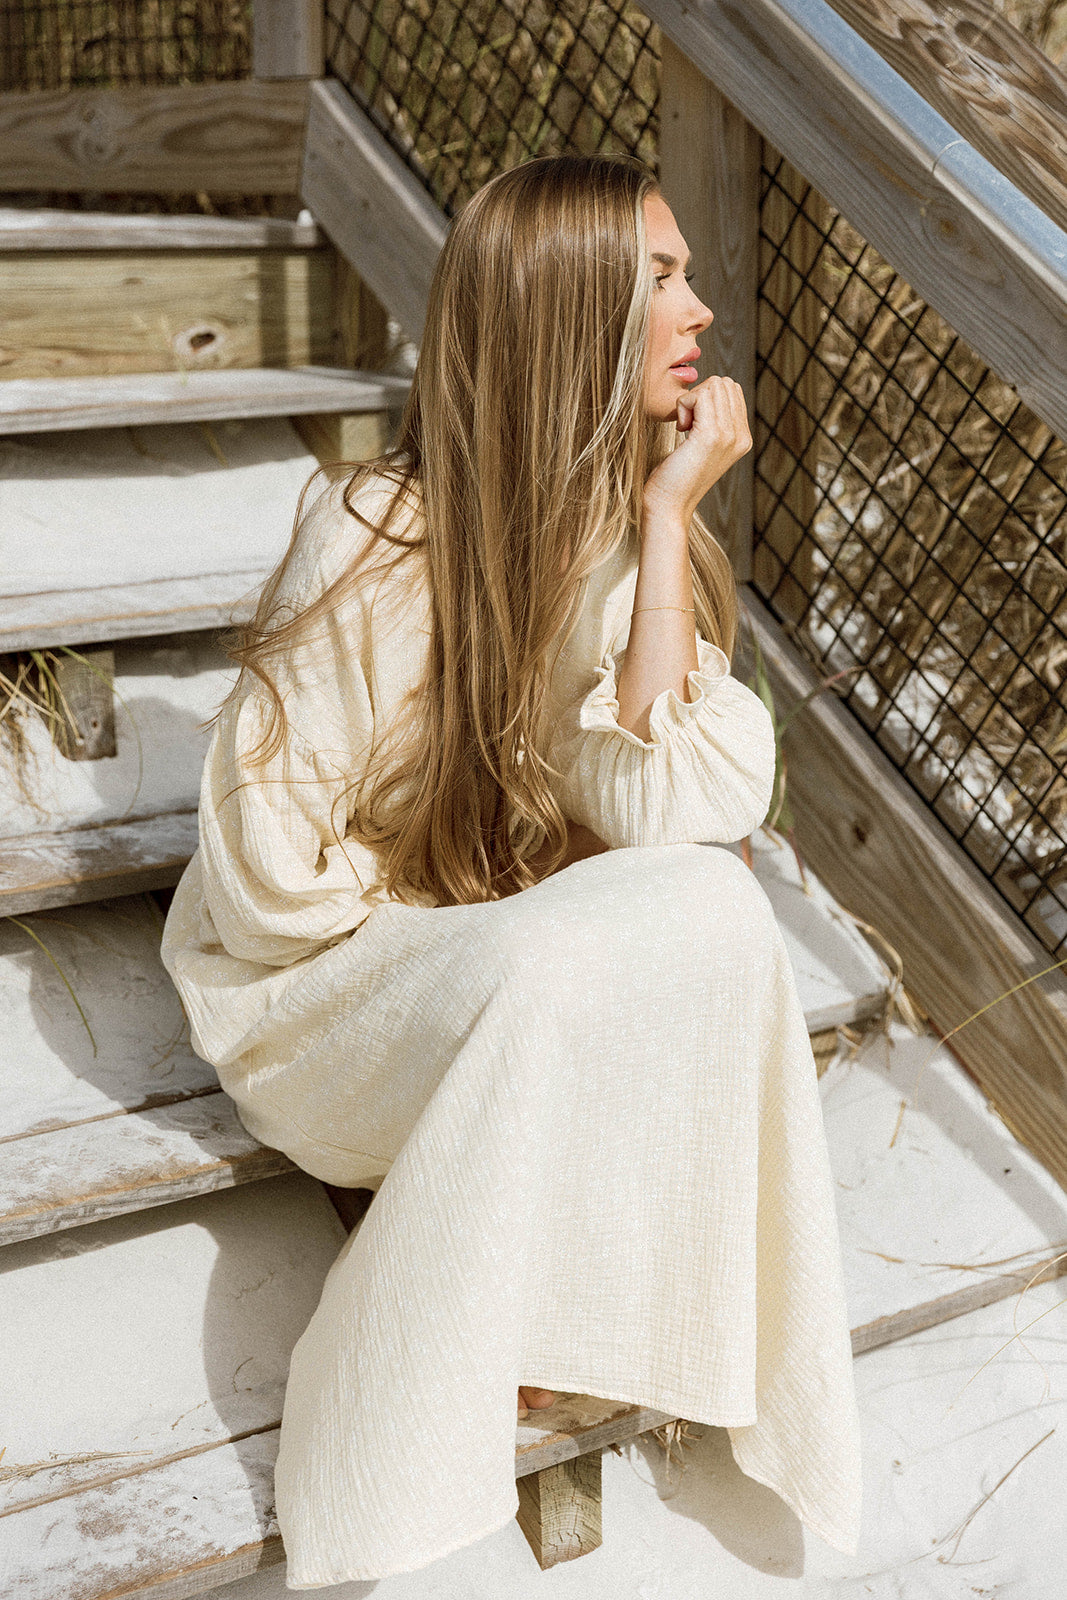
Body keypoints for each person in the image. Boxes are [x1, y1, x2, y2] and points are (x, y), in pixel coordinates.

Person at [161, 153, 862, 1586]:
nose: (702, 309)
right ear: (570, 311)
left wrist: (665, 521)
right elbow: (263, 881)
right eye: (662, 277)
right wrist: (466, 920)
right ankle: (403, 1403)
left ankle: (628, 1314)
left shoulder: (622, 546)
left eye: (687, 274)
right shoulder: (372, 532)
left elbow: (677, 806)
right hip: (320, 1005)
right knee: (554, 954)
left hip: (491, 982)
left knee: (715, 907)